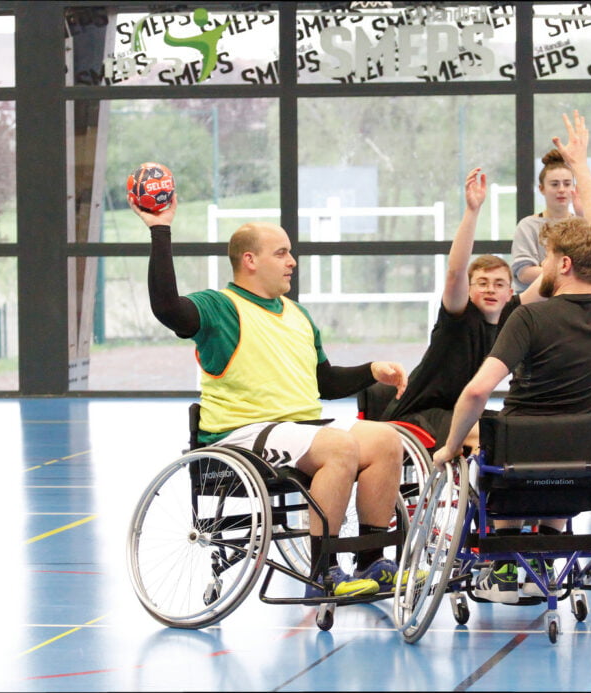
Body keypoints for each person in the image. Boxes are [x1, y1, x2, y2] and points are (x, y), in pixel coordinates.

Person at [131, 196, 410, 598]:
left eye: (290, 253)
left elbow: (324, 383)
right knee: (339, 447)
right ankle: (323, 571)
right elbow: (168, 308)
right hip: (243, 434)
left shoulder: (297, 315)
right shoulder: (220, 307)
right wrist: (160, 230)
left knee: (386, 440)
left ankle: (371, 561)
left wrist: (370, 371)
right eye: (281, 253)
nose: (291, 261)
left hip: (299, 431)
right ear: (250, 260)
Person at [432, 110, 591, 603]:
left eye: (543, 260)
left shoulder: (527, 318)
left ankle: (504, 556)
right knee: (558, 455)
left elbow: (479, 390)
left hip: (518, 455)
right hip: (582, 456)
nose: (535, 268)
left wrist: (449, 444)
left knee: (504, 452)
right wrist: (581, 167)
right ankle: (546, 545)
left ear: (562, 265)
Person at [380, 167, 540, 453]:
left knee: (524, 431)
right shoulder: (459, 315)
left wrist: (579, 214)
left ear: (509, 293)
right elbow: (455, 272)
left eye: (498, 284)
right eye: (482, 283)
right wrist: (472, 211)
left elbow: (553, 280)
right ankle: (484, 498)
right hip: (418, 415)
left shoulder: (510, 315)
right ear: (469, 288)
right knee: (489, 438)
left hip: (462, 412)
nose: (491, 289)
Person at [509, 148, 579, 293]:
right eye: (554, 184)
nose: (561, 189)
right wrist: (566, 275)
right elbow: (524, 273)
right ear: (541, 189)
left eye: (567, 184)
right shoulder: (527, 226)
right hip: (535, 304)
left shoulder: (582, 225)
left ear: (573, 187)